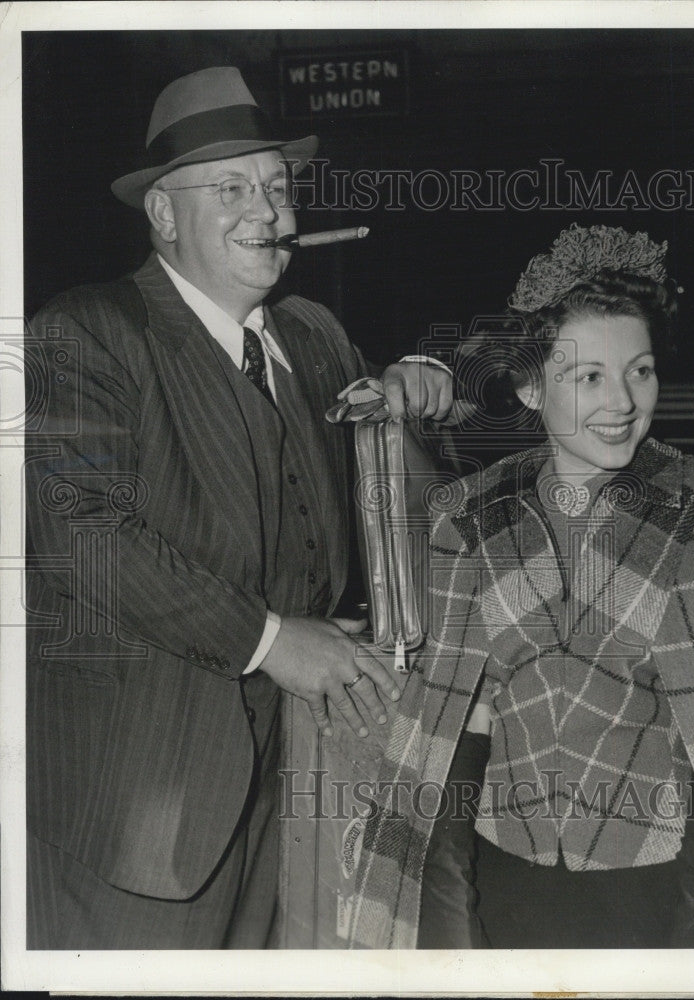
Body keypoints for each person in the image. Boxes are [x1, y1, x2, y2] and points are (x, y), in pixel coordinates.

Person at [25, 66, 452, 950]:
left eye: (278, 188)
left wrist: (416, 397)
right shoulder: (85, 330)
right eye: (232, 189)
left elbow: (398, 509)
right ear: (164, 215)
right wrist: (270, 639)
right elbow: (82, 538)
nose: (271, 212)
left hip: (293, 783)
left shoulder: (316, 338)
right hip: (141, 802)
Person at [349, 224, 694, 949]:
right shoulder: (475, 513)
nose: (622, 402)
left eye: (639, 371)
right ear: (529, 385)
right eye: (589, 378)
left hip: (653, 897)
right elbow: (451, 733)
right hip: (503, 888)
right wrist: (455, 930)